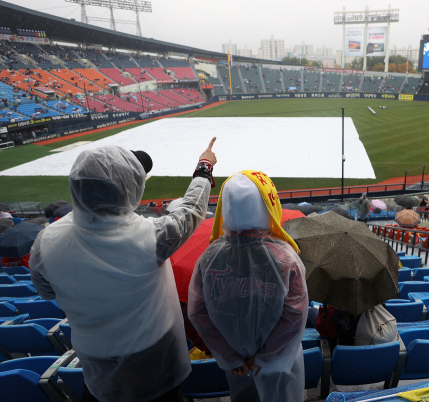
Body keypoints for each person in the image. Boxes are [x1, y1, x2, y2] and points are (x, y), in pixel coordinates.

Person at [30, 138, 217, 402]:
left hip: (96, 366)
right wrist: (204, 166)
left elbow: (46, 291)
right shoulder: (153, 237)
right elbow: (192, 210)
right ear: (129, 189)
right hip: (155, 363)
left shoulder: (46, 242)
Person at [188, 171, 308, 402]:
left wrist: (230, 356)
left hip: (237, 364)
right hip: (279, 362)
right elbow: (296, 313)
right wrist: (265, 358)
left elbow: (197, 312)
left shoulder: (209, 257)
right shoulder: (285, 257)